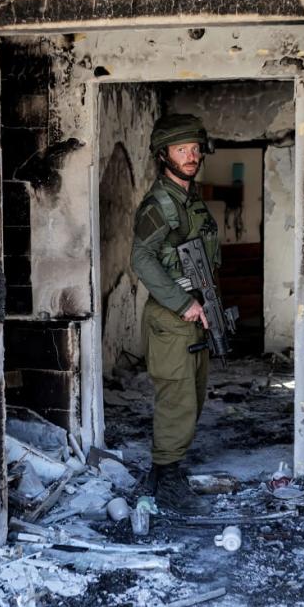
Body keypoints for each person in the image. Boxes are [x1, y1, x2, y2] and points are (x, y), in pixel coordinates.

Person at [130, 114, 221, 515]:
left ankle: (168, 469)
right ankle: (166, 481)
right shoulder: (160, 203)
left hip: (195, 314)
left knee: (193, 397)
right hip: (173, 317)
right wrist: (183, 303)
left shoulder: (189, 198)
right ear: (163, 155)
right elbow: (141, 258)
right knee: (177, 400)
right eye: (181, 149)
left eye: (195, 148)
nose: (191, 155)